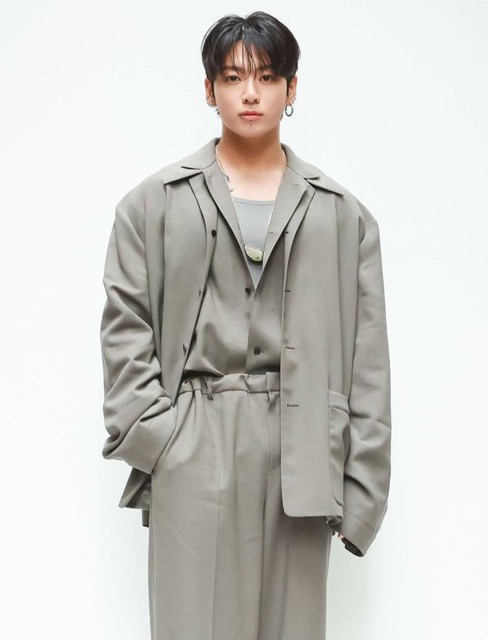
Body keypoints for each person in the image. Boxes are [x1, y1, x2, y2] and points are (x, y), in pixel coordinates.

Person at [100, 10, 392, 640]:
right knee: (191, 626)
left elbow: (367, 358)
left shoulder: (343, 216)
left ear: (292, 88)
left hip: (304, 447)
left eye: (267, 76)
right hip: (194, 434)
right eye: (233, 78)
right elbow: (125, 327)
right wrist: (160, 440)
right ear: (209, 89)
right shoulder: (152, 204)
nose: (250, 93)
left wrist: (363, 485)